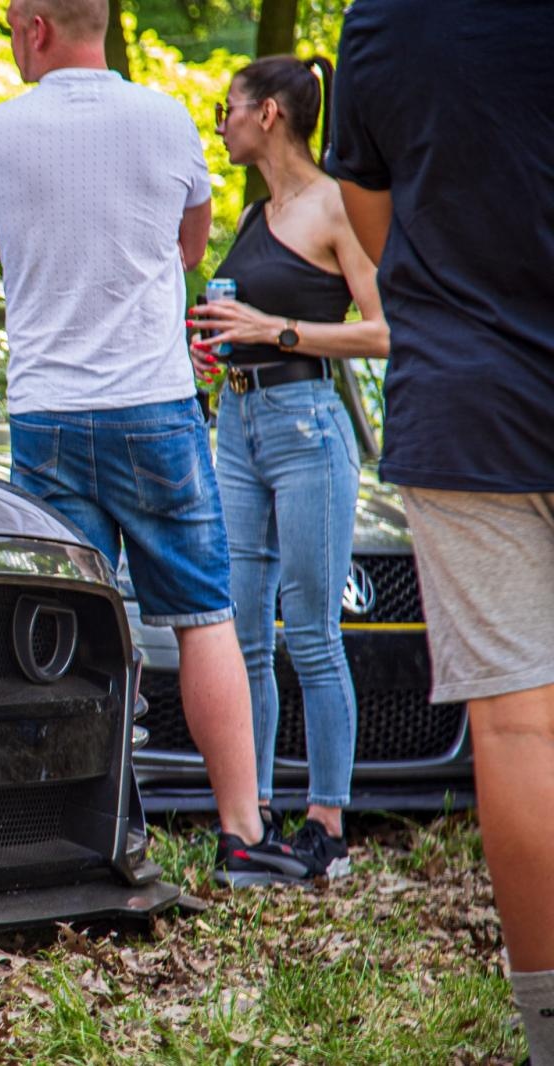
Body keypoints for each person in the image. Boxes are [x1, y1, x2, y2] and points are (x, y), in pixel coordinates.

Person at [0, 0, 320, 885]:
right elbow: (190, 247)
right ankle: (243, 835)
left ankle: (65, 831)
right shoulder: (166, 118)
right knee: (204, 615)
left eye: (13, 27)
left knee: (63, 627)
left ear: (37, 27)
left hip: (46, 412)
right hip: (151, 406)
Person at [326, 1, 554, 1059]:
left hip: (468, 395)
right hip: (470, 393)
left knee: (518, 727)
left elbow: (372, 214)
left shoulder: (385, 17)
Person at [187, 55, 388, 879]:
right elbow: (244, 320)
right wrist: (215, 349)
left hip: (307, 425)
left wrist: (277, 331)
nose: (221, 122)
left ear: (269, 113)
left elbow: (383, 331)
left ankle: (327, 828)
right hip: (236, 421)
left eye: (229, 108)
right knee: (240, 636)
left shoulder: (336, 204)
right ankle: (256, 820)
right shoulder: (250, 211)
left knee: (310, 632)